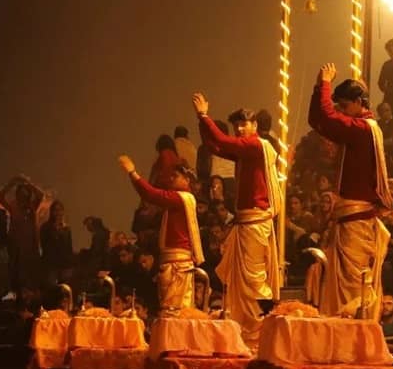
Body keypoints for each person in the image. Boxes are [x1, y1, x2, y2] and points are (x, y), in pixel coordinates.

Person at [193, 94, 283, 346]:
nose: (240, 129)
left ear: (255, 125)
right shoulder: (246, 152)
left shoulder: (255, 146)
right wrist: (203, 123)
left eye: (244, 124)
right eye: (237, 126)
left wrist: (204, 116)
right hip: (245, 223)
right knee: (242, 283)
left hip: (255, 223)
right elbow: (216, 147)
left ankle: (260, 333)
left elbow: (221, 140)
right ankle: (247, 331)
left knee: (254, 280)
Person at [308, 64, 393, 320]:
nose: (342, 112)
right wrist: (317, 88)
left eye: (344, 106)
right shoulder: (357, 129)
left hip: (357, 221)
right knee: (344, 282)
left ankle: (354, 334)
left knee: (353, 284)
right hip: (348, 220)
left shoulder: (363, 129)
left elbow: (328, 118)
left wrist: (325, 84)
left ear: (359, 102)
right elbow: (318, 120)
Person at [119, 156, 204, 316]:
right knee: (170, 310)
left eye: (175, 176)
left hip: (177, 264)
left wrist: (133, 173)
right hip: (171, 262)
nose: (171, 179)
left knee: (174, 312)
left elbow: (151, 194)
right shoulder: (179, 200)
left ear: (187, 180)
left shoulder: (181, 198)